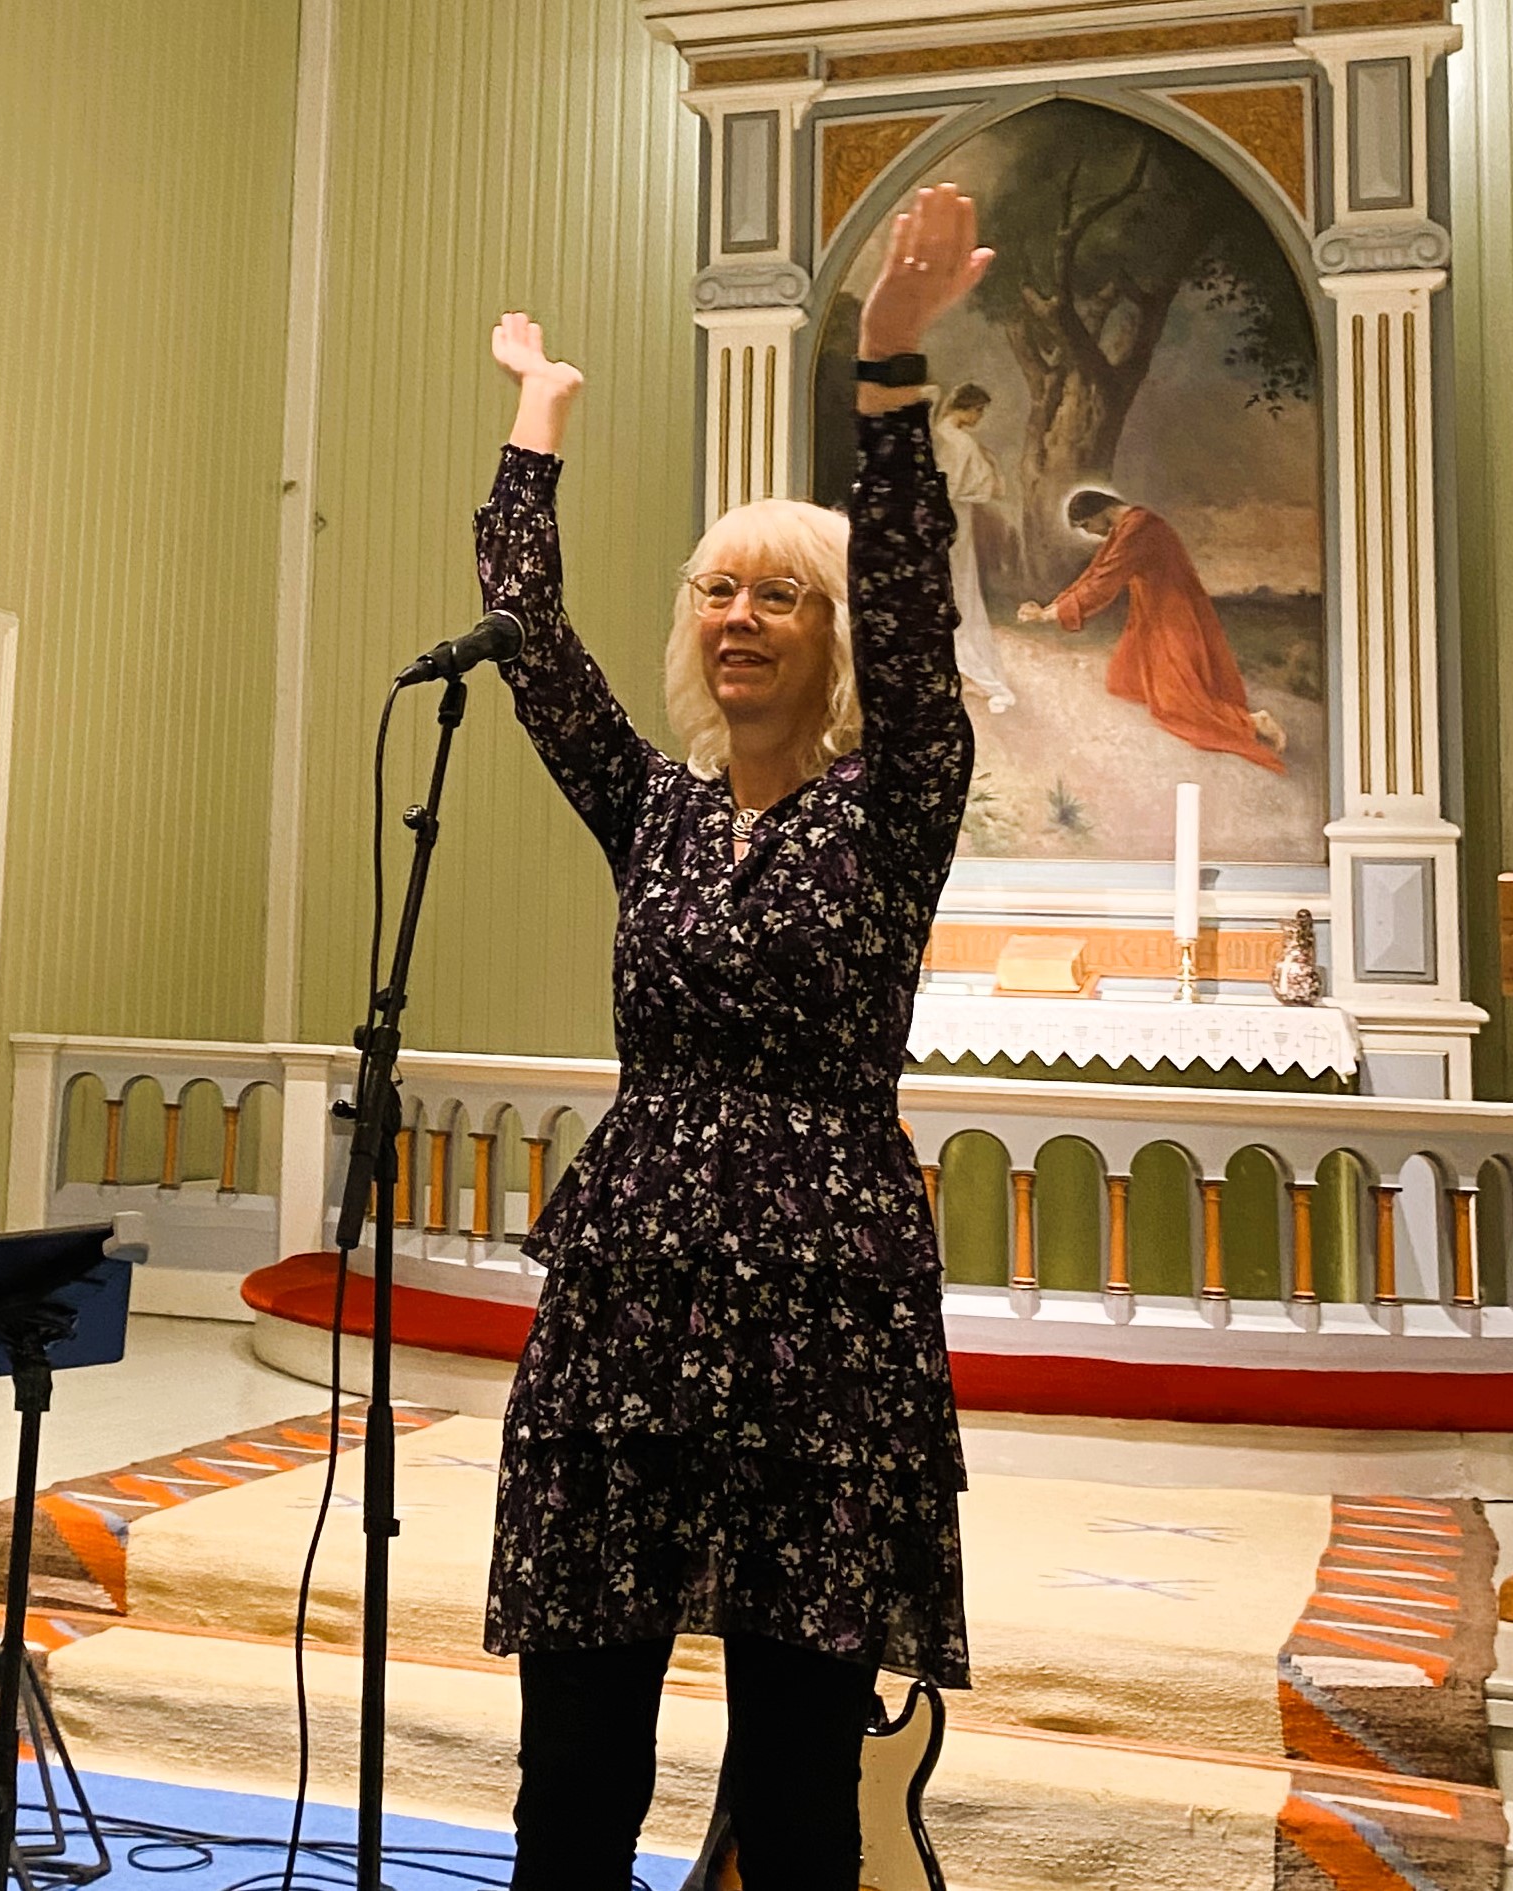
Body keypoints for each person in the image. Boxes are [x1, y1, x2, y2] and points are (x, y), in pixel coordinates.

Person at [475, 185, 982, 1889]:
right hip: (629, 1287)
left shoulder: (887, 810)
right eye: (713, 589)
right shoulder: (654, 810)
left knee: (788, 1780)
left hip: (814, 1307)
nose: (738, 615)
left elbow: (921, 636)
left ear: (828, 635)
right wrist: (530, 436)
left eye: (779, 592)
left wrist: (887, 374)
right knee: (574, 1775)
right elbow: (530, 651)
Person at [1017, 487, 1285, 768]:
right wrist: (1049, 608)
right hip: (1150, 613)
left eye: (1086, 526)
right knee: (1123, 681)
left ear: (1101, 512)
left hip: (1173, 615)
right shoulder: (1127, 526)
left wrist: (1048, 617)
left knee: (1175, 707)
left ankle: (1254, 722)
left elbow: (1103, 584)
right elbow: (1094, 573)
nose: (1090, 533)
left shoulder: (1141, 529)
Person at [934, 382, 1014, 712]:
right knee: (960, 589)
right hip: (953, 520)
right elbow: (980, 488)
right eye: (979, 411)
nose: (980, 417)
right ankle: (966, 667)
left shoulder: (935, 433)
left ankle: (951, 668)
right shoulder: (961, 442)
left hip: (938, 521)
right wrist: (990, 474)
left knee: (945, 589)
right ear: (968, 409)